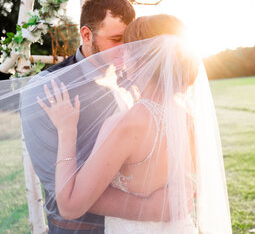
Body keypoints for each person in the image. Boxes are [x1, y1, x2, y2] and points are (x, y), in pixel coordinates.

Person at [36, 14, 232, 233]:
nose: (122, 55)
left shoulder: (126, 123)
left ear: (142, 57)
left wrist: (66, 130)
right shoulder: (187, 117)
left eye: (129, 48)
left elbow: (70, 206)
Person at [19, 0, 167, 234]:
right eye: (116, 39)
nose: (127, 50)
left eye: (129, 41)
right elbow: (61, 191)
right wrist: (149, 207)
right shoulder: (47, 89)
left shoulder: (137, 78)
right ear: (87, 35)